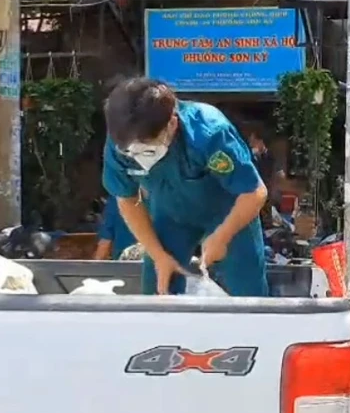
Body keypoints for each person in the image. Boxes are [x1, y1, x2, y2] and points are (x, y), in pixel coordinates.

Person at [102, 77, 269, 296]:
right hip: (170, 216)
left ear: (171, 124)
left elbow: (254, 192)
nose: (138, 157)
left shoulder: (209, 133)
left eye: (148, 150)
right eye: (131, 152)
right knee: (158, 289)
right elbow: (126, 198)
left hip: (230, 211)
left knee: (249, 293)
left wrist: (222, 236)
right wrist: (159, 255)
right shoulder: (120, 142)